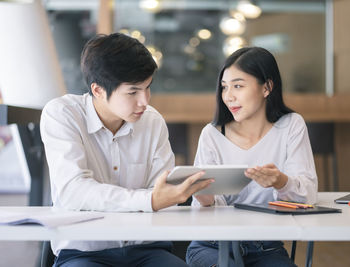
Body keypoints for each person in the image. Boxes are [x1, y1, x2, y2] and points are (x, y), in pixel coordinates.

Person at [40, 33, 213, 267]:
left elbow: (164, 193)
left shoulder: (152, 121)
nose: (144, 101)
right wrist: (149, 200)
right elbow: (74, 191)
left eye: (148, 88)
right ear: (98, 90)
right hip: (85, 252)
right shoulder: (62, 114)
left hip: (146, 250)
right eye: (133, 92)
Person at [185, 47, 318, 267]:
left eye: (238, 86)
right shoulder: (213, 134)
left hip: (266, 247)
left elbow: (308, 196)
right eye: (224, 87)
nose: (228, 96)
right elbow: (207, 209)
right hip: (212, 245)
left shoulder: (291, 126)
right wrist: (202, 196)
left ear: (267, 87)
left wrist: (280, 181)